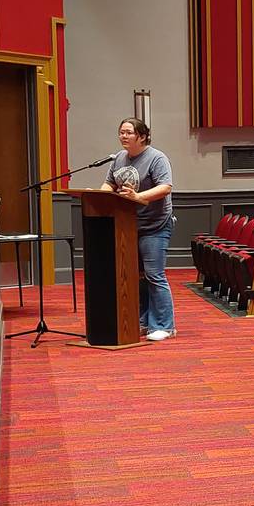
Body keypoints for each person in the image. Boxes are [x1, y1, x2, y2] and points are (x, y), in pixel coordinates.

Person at [102, 118, 176, 340]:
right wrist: (101, 195)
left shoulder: (157, 158)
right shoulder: (119, 158)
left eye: (128, 133)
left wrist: (138, 197)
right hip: (130, 226)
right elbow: (109, 183)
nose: (123, 136)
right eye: (121, 133)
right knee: (139, 277)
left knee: (155, 275)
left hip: (156, 225)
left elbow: (165, 187)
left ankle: (165, 325)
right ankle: (145, 321)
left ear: (142, 136)